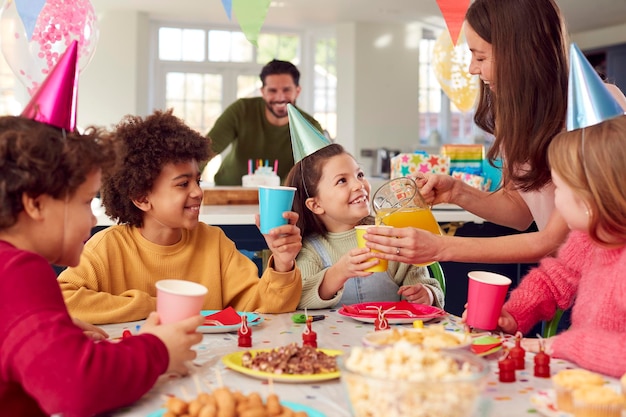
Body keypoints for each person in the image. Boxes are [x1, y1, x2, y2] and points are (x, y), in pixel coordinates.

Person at [362, 0, 626, 266]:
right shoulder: (517, 117)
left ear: (522, 53)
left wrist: (441, 247)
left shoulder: (595, 110)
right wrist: (457, 192)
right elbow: (521, 212)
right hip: (569, 278)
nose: (471, 69)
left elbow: (552, 239)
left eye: (480, 57)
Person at [0, 115, 203, 416]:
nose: (93, 220)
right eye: (85, 203)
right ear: (36, 204)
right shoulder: (18, 271)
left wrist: (65, 346)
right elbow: (75, 388)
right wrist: (158, 350)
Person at [58, 110, 303, 325]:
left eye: (197, 181)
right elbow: (62, 300)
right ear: (142, 198)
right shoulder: (108, 248)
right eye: (183, 184)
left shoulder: (213, 242)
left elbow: (264, 307)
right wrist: (155, 307)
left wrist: (283, 264)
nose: (198, 192)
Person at [479, 115, 626, 378]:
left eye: (558, 187)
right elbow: (553, 279)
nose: (554, 196)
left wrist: (560, 345)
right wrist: (515, 314)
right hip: (588, 383)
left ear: (590, 200)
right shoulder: (589, 237)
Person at [284, 143, 444, 309]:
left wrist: (427, 294)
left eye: (359, 175)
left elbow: (428, 287)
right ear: (316, 205)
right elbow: (298, 300)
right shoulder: (310, 250)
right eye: (342, 181)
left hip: (389, 333)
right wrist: (339, 272)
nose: (359, 185)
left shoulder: (391, 236)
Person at [208, 59, 323, 185]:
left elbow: (315, 172)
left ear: (297, 91)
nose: (280, 98)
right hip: (229, 190)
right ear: (263, 92)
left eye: (286, 90)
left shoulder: (310, 127)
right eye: (272, 90)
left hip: (282, 199)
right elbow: (207, 150)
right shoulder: (241, 110)